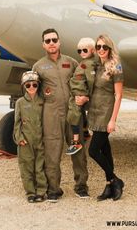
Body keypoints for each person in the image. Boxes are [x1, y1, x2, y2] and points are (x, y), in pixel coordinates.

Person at [33, 28, 89, 202]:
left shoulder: (71, 62)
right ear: (43, 44)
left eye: (54, 40)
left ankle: (81, 187)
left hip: (73, 113)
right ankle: (54, 190)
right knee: (52, 151)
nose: (51, 43)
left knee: (77, 148)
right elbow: (33, 94)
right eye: (48, 41)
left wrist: (85, 97)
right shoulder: (38, 66)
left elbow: (82, 82)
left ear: (59, 42)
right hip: (51, 114)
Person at [77, 34, 124, 201]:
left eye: (105, 47)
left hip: (106, 114)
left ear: (110, 49)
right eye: (99, 47)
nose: (101, 50)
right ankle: (109, 185)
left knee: (93, 151)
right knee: (105, 149)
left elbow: (118, 95)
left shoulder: (115, 67)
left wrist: (113, 120)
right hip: (95, 112)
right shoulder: (96, 66)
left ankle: (116, 180)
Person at [13, 71, 47, 203]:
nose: (31, 87)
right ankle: (30, 193)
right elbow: (17, 123)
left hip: (40, 139)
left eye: (34, 85)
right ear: (24, 87)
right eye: (28, 85)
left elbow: (46, 120)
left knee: (40, 167)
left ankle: (41, 191)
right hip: (26, 140)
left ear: (38, 85)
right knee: (26, 167)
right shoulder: (20, 102)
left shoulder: (42, 101)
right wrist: (19, 138)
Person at [66, 37, 97, 156]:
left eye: (85, 50)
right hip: (76, 93)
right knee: (77, 115)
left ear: (93, 51)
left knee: (73, 115)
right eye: (79, 51)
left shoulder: (88, 65)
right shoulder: (84, 64)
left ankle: (76, 141)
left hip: (80, 94)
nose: (82, 53)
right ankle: (84, 133)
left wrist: (87, 97)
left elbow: (91, 81)